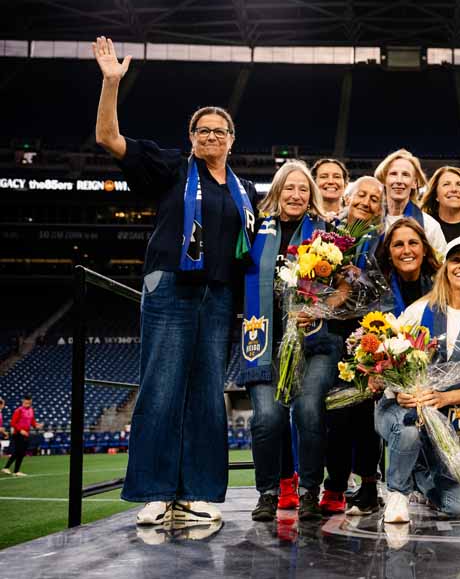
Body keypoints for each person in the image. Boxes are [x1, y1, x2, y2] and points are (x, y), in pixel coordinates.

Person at [93, 36, 258, 526]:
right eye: (202, 130)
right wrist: (110, 84)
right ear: (191, 138)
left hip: (219, 296)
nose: (211, 136)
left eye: (219, 130)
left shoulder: (245, 190)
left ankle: (200, 490)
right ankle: (158, 491)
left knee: (209, 393)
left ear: (232, 138)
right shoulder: (170, 167)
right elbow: (109, 140)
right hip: (170, 289)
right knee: (161, 387)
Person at [376, 235, 460, 523]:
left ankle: (421, 475)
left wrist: (443, 397)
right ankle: (397, 494)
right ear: (445, 267)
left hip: (445, 415)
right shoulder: (419, 310)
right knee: (408, 428)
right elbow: (384, 363)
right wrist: (400, 393)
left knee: (459, 505)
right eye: (456, 260)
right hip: (399, 407)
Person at [239, 160, 339, 523]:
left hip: (314, 343)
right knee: (267, 418)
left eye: (302, 189)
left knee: (309, 410)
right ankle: (268, 492)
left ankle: (310, 490)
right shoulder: (253, 232)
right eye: (288, 188)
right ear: (277, 192)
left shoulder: (327, 234)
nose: (295, 195)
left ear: (310, 195)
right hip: (263, 339)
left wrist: (324, 307)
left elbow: (346, 287)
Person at [321, 175, 385, 516]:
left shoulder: (381, 239)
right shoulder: (326, 233)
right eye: (362, 194)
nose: (367, 202)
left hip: (367, 334)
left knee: (364, 414)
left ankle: (369, 486)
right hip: (329, 331)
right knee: (334, 412)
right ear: (347, 196)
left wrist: (355, 280)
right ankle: (334, 484)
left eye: (375, 199)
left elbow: (382, 288)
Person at [374, 149, 447, 257]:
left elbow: (442, 268)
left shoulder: (429, 226)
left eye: (405, 175)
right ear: (384, 180)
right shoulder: (370, 221)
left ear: (414, 183)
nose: (399, 181)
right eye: (393, 174)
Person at [376, 218, 441, 317]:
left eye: (413, 243)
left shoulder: (440, 285)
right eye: (398, 245)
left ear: (424, 250)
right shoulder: (376, 289)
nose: (406, 251)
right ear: (389, 253)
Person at [3, 396, 42, 477]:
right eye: (26, 403)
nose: (28, 404)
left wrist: (36, 425)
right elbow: (13, 423)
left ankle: (12, 470)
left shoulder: (31, 410)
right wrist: (21, 430)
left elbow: (32, 421)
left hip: (26, 433)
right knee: (19, 452)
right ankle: (11, 469)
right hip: (18, 434)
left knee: (20, 453)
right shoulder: (19, 410)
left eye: (29, 403)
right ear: (23, 402)